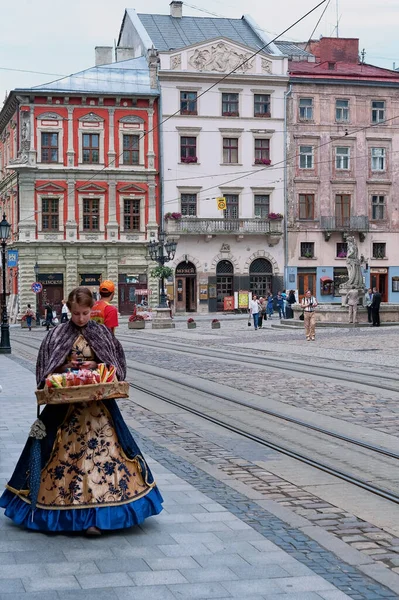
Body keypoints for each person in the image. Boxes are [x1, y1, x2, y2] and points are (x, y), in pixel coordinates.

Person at [0, 286, 163, 535]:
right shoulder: (57, 335)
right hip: (65, 406)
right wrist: (65, 367)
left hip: (98, 407)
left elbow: (115, 363)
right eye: (76, 314)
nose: (81, 318)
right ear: (69, 310)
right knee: (61, 455)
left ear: (90, 310)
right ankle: (59, 510)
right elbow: (47, 366)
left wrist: (95, 365)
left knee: (102, 456)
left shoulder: (100, 333)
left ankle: (100, 515)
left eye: (85, 313)